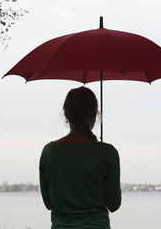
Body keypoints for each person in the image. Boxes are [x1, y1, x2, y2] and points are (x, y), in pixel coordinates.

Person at [39, 86, 121, 229]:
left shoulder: (49, 152)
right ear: (94, 116)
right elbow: (113, 204)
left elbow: (48, 203)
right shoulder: (108, 153)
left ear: (66, 115)